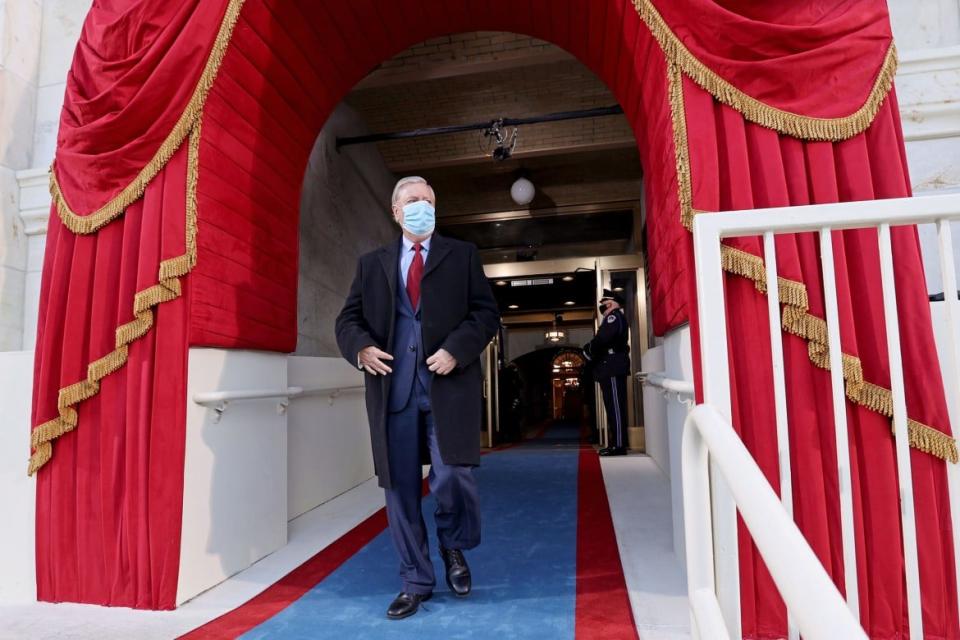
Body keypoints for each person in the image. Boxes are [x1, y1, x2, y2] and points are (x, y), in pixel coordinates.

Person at [335, 176, 500, 620]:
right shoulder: (372, 264)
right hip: (394, 394)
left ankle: (453, 546)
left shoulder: (461, 255)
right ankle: (415, 580)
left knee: (453, 477)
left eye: (428, 199)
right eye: (413, 200)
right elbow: (347, 320)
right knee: (401, 490)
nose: (422, 206)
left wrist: (456, 350)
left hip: (448, 389)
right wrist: (361, 348)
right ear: (396, 212)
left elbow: (486, 314)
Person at [583, 289, 631, 456]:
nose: (602, 306)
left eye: (605, 303)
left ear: (612, 303)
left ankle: (619, 445)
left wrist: (589, 349)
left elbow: (603, 339)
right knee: (612, 407)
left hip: (612, 366)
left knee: (616, 408)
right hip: (609, 366)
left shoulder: (613, 317)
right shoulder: (612, 318)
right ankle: (616, 443)